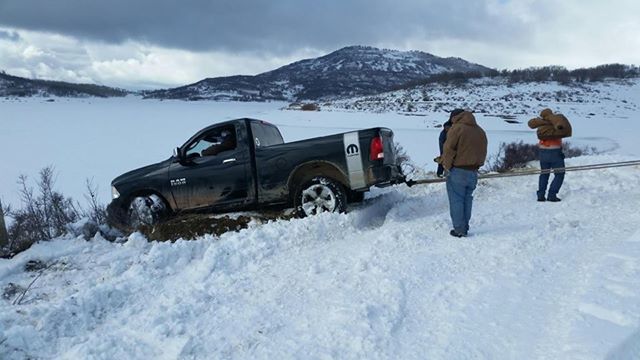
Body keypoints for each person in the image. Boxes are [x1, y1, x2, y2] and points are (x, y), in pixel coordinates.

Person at [440, 110, 488, 238]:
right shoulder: (480, 131)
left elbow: (448, 149)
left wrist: (447, 167)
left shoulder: (457, 129)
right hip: (473, 170)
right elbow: (483, 151)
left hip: (458, 170)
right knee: (467, 199)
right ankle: (465, 226)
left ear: (454, 118)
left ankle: (459, 229)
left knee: (456, 199)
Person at [527, 108, 572, 202]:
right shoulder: (555, 122)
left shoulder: (541, 125)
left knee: (544, 174)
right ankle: (552, 195)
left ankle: (541, 195)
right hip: (555, 152)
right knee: (559, 174)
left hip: (543, 152)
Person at [436, 109, 464, 177]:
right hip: (446, 148)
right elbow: (443, 142)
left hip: (449, 148)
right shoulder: (444, 133)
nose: (447, 128)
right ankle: (440, 173)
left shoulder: (454, 130)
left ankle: (445, 173)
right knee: (443, 160)